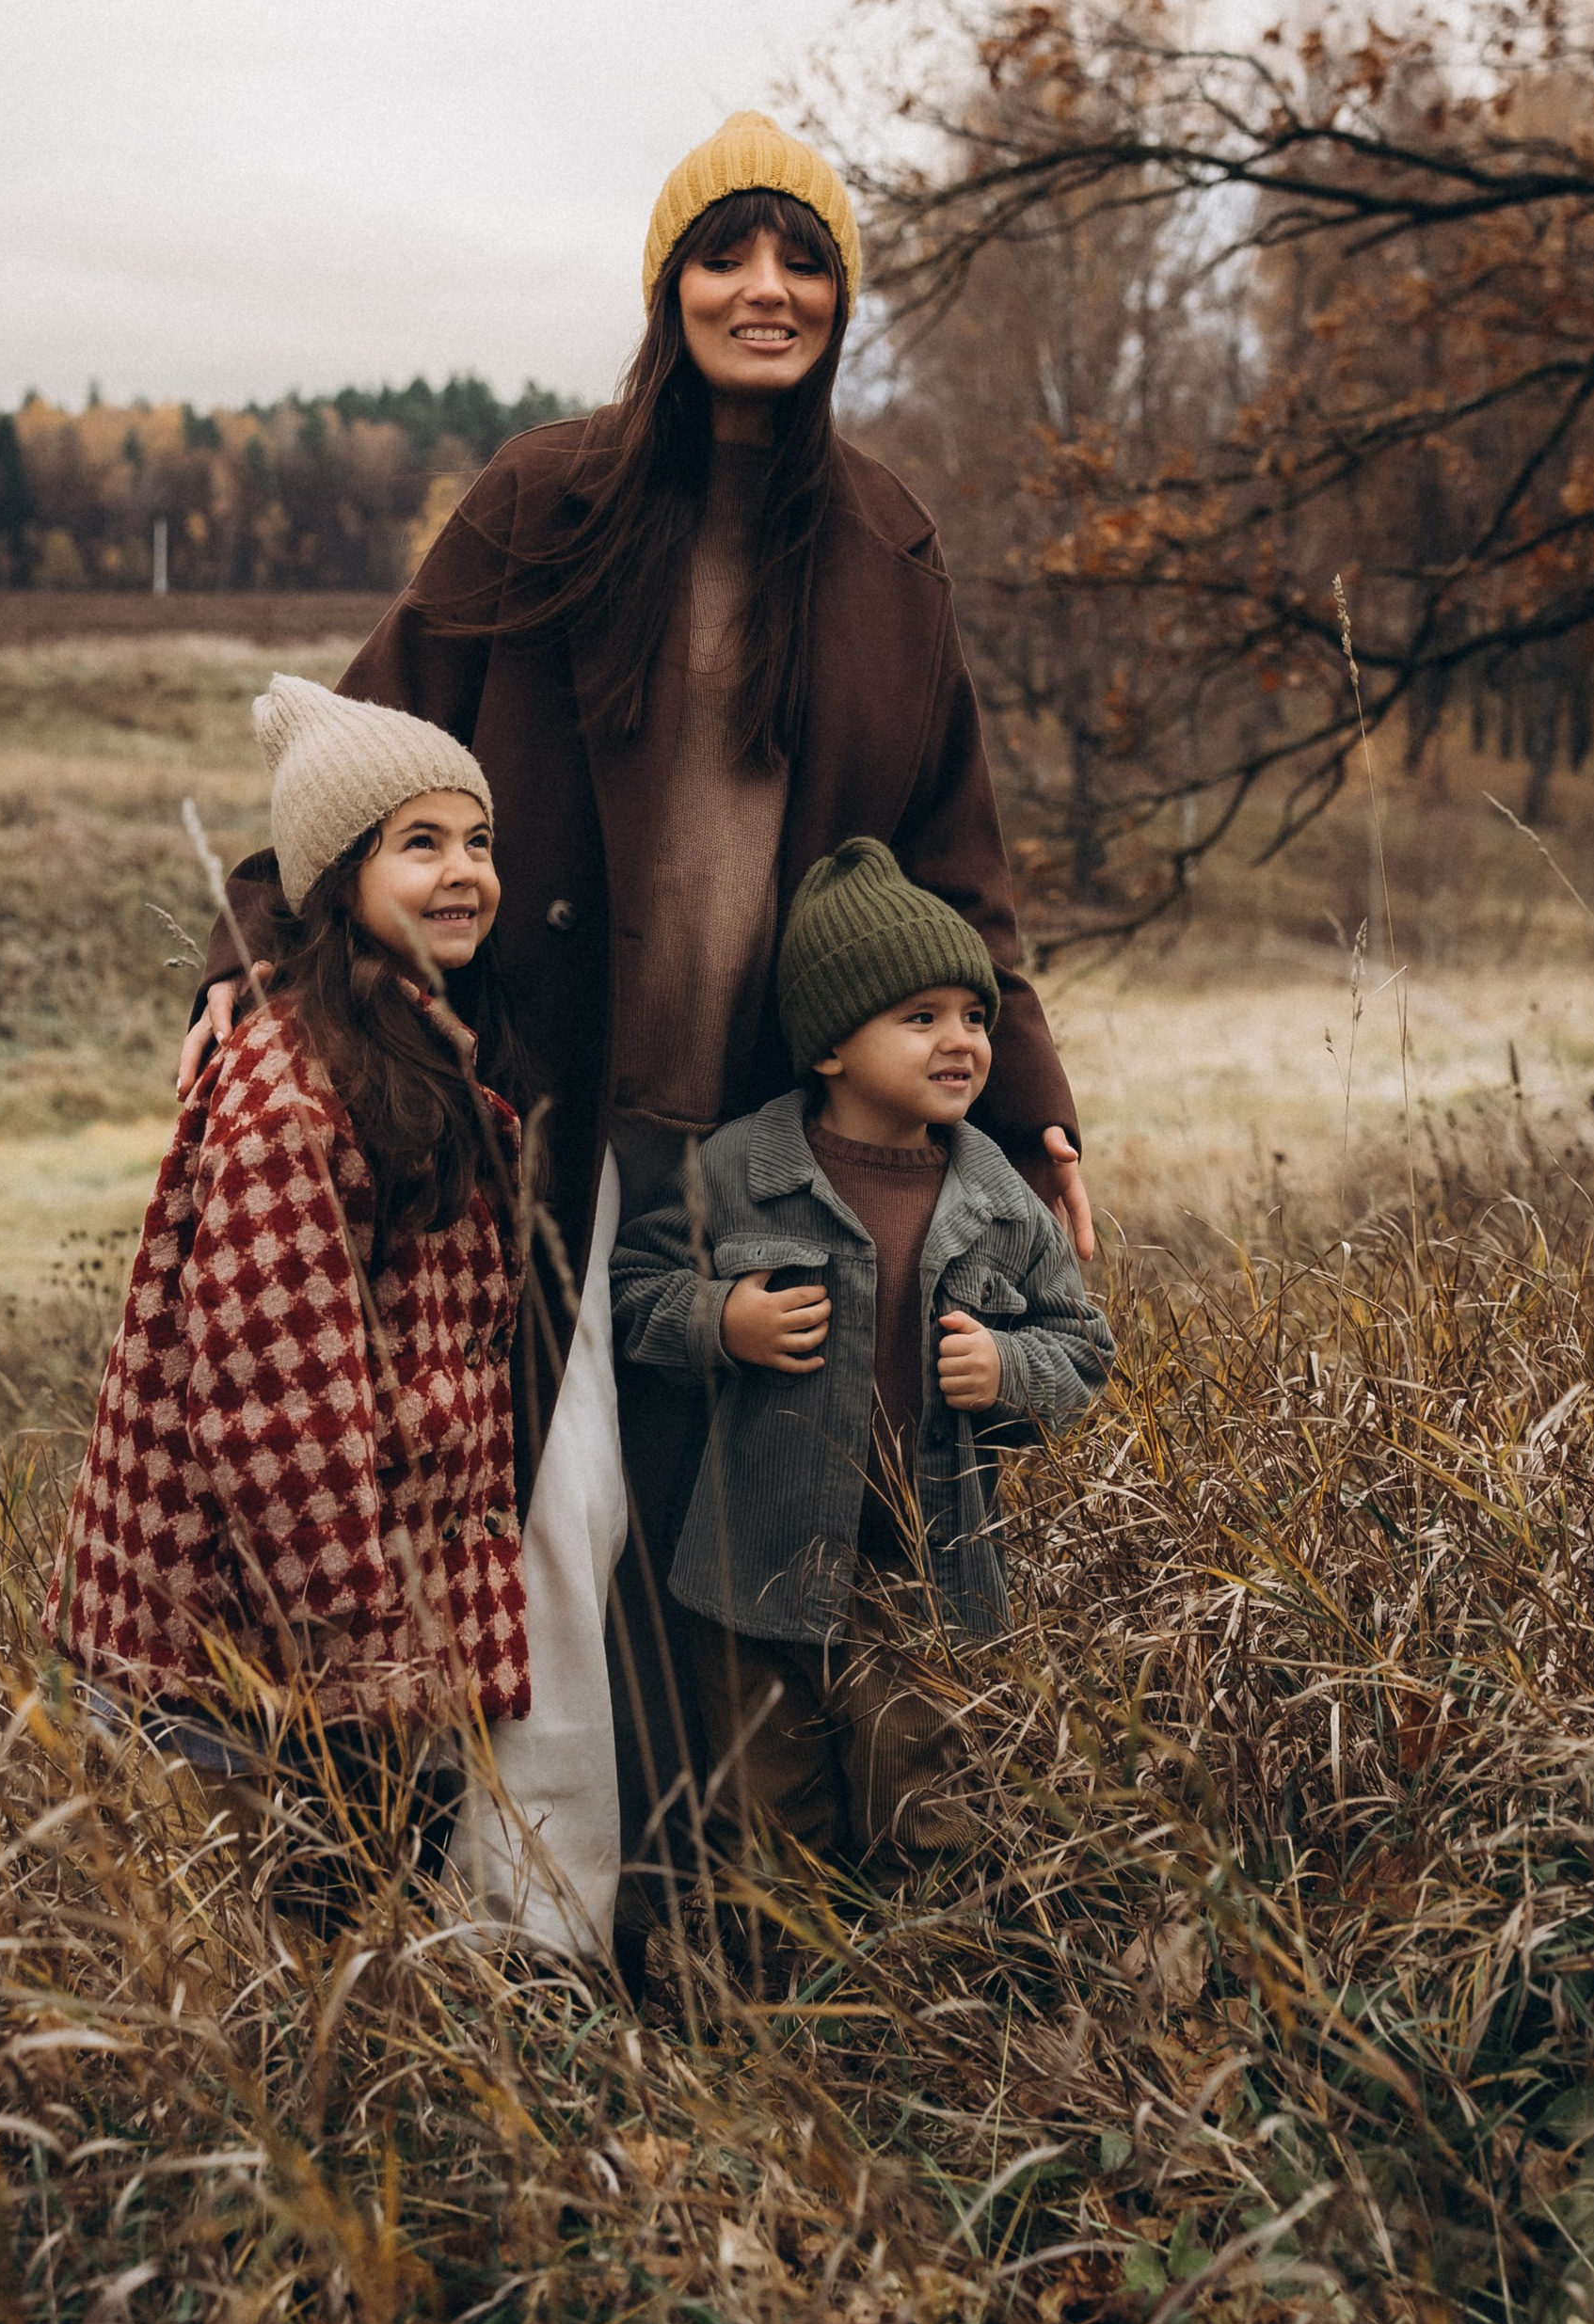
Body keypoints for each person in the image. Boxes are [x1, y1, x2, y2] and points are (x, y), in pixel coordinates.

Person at [182, 112, 1093, 1954]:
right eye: (725, 254)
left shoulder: (882, 547)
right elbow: (370, 755)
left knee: (719, 1576)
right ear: (668, 285)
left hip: (764, 1146)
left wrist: (1038, 1108)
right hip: (528, 1121)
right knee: (497, 1527)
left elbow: (952, 861)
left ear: (839, 297)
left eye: (801, 258)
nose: (764, 290)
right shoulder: (546, 503)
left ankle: (701, 1961)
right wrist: (247, 979)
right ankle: (411, 1939)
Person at [47, 676, 527, 1930]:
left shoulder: (424, 1048)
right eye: (418, 844)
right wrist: (357, 1639)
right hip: (271, 1634)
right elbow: (272, 1406)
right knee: (294, 1930)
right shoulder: (291, 1091)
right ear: (332, 879)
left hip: (356, 1620)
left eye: (477, 840)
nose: (463, 870)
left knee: (368, 1908)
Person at [613, 838, 1114, 1873]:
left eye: (975, 1017)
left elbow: (1080, 1347)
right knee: (767, 1832)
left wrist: (1007, 1373)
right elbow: (629, 1295)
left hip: (925, 1577)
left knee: (931, 1816)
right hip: (752, 1569)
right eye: (920, 1017)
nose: (963, 1041)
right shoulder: (743, 1170)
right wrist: (722, 1322)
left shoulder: (994, 1196)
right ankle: (783, 2019)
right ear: (832, 1045)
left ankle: (917, 2012)